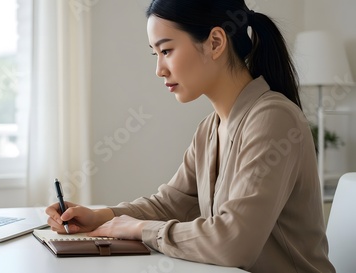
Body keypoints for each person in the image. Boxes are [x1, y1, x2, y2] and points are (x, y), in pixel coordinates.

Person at [46, 0, 335, 272]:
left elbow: (234, 242)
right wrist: (102, 216)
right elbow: (169, 203)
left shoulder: (273, 119)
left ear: (216, 43)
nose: (159, 69)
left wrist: (136, 228)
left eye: (167, 50)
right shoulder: (209, 130)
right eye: (155, 53)